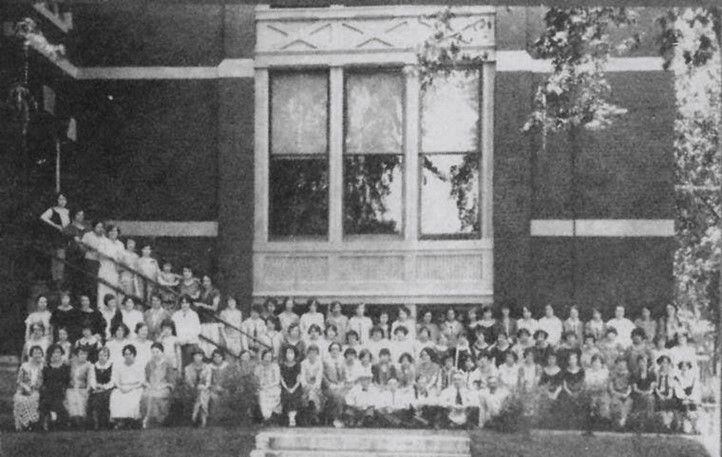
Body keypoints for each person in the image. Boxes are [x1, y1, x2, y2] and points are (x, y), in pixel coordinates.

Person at [109, 344, 145, 429]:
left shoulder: (139, 365)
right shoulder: (119, 365)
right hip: (122, 388)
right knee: (115, 396)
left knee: (133, 398)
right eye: (126, 354)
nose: (127, 356)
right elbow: (115, 379)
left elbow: (142, 380)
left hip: (135, 387)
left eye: (130, 354)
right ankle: (120, 421)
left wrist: (131, 388)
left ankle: (131, 421)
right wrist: (121, 387)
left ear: (134, 354)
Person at [40, 193, 71, 288]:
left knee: (62, 260)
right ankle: (55, 280)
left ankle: (60, 280)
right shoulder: (52, 210)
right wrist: (55, 225)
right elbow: (43, 217)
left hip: (65, 237)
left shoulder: (68, 211)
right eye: (60, 199)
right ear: (56, 200)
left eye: (64, 199)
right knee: (56, 260)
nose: (62, 201)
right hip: (56, 238)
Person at [141, 342, 175, 428]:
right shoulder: (149, 364)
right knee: (145, 395)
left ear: (162, 352)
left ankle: (155, 419)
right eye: (153, 352)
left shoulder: (167, 364)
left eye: (157, 352)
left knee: (155, 396)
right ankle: (147, 418)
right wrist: (148, 385)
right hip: (152, 386)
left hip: (164, 387)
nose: (155, 354)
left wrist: (162, 386)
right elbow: (146, 378)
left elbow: (171, 380)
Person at [14, 345, 44, 431]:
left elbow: (42, 381)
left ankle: (31, 423)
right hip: (24, 389)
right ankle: (21, 425)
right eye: (35, 353)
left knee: (33, 398)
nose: (37, 355)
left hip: (37, 390)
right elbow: (19, 381)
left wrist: (36, 388)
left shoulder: (42, 366)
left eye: (39, 353)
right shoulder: (24, 366)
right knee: (19, 399)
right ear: (31, 354)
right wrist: (26, 388)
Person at [40, 344, 70, 430]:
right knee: (47, 400)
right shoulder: (46, 367)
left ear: (61, 354)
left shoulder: (65, 366)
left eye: (58, 352)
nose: (56, 354)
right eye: (54, 352)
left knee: (56, 403)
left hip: (61, 391)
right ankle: (50, 418)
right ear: (51, 354)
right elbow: (45, 381)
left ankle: (53, 417)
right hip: (49, 391)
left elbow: (67, 381)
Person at [96, 225, 125, 309]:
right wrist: (112, 257)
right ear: (107, 232)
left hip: (115, 270)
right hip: (105, 268)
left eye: (115, 231)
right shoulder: (103, 241)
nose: (113, 233)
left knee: (113, 290)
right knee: (103, 291)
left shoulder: (120, 244)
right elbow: (100, 253)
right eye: (111, 231)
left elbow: (122, 257)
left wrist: (119, 260)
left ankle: (112, 310)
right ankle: (101, 310)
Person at [65, 347, 94, 428]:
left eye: (85, 354)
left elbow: (90, 379)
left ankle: (80, 421)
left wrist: (87, 389)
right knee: (71, 396)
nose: (83, 356)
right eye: (81, 354)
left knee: (79, 397)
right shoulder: (72, 364)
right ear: (77, 355)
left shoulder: (89, 365)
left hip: (83, 389)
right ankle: (74, 420)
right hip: (71, 388)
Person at [184, 346, 212, 427]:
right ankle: (203, 418)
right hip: (191, 389)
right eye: (196, 356)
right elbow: (188, 381)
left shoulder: (207, 367)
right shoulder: (188, 368)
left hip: (204, 389)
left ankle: (195, 416)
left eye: (200, 356)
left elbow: (208, 381)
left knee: (202, 394)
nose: (198, 358)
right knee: (201, 395)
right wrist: (195, 387)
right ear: (193, 357)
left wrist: (204, 387)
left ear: (203, 357)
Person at [63, 209, 89, 297]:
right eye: (78, 214)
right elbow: (66, 236)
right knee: (73, 280)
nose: (81, 216)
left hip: (85, 258)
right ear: (74, 215)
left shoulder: (86, 228)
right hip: (73, 257)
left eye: (82, 215)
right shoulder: (69, 228)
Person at [172, 295, 202, 367]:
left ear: (190, 304)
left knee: (189, 366)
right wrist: (178, 340)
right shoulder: (176, 315)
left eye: (186, 303)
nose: (184, 305)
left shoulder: (194, 315)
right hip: (179, 343)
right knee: (179, 365)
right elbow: (172, 329)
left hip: (191, 343)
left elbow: (197, 330)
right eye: (182, 303)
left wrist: (186, 340)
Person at [322, 342, 346, 427]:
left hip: (340, 386)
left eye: (337, 349)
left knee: (343, 395)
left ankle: (344, 418)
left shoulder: (342, 361)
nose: (335, 351)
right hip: (328, 387)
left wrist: (341, 384)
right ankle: (337, 418)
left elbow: (344, 375)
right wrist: (330, 385)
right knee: (337, 396)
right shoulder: (325, 361)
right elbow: (323, 375)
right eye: (333, 349)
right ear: (330, 351)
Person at [196, 275, 222, 357]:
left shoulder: (215, 292)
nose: (205, 283)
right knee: (203, 342)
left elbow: (215, 307)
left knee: (213, 342)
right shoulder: (201, 292)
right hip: (203, 320)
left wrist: (202, 305)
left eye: (207, 281)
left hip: (212, 320)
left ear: (211, 281)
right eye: (204, 281)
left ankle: (213, 359)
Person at [89, 347, 113, 430]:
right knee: (96, 398)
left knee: (107, 397)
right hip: (97, 388)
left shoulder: (111, 365)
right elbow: (92, 379)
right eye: (100, 355)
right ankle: (96, 422)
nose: (102, 357)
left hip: (108, 388)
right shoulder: (94, 366)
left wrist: (104, 387)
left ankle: (107, 422)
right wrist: (96, 386)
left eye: (105, 355)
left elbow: (113, 381)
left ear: (108, 356)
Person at [255, 349, 282, 423]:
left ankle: (271, 416)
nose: (268, 358)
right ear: (263, 357)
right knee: (262, 395)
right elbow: (256, 380)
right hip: (262, 388)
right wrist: (261, 386)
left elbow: (277, 380)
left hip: (273, 387)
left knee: (275, 393)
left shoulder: (275, 366)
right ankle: (266, 417)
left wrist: (268, 386)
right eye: (266, 356)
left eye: (270, 356)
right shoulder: (258, 367)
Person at [208, 349, 233, 424]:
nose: (217, 358)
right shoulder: (209, 366)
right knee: (214, 397)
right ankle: (215, 419)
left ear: (222, 357)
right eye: (215, 356)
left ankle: (225, 418)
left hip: (225, 387)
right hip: (212, 388)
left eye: (219, 356)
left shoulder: (227, 366)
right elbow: (207, 380)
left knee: (226, 395)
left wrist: (224, 387)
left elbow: (230, 378)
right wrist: (214, 387)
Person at [674, 361, 700, 434]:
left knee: (694, 406)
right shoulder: (677, 378)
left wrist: (690, 398)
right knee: (684, 405)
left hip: (690, 399)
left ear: (689, 367)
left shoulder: (692, 378)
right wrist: (684, 398)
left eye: (686, 366)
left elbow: (695, 390)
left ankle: (694, 427)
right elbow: (678, 391)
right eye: (682, 366)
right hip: (680, 399)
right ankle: (683, 426)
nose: (684, 368)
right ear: (680, 368)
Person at [585, 354, 610, 426]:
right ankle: (591, 423)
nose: (596, 364)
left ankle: (603, 422)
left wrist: (596, 386)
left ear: (601, 364)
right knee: (591, 401)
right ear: (591, 363)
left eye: (598, 362)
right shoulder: (588, 371)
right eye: (594, 362)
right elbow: (587, 384)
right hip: (590, 393)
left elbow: (604, 385)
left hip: (602, 393)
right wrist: (595, 386)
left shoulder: (605, 372)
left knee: (603, 402)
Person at [280, 345, 302, 426]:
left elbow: (298, 379)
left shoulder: (298, 365)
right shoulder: (282, 365)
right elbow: (281, 379)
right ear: (285, 354)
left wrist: (293, 388)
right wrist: (286, 387)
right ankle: (289, 418)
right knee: (286, 394)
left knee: (295, 395)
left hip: (295, 385)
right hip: (285, 385)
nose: (290, 355)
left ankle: (292, 418)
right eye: (288, 353)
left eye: (292, 353)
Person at [300, 344, 324, 422]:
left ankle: (314, 415)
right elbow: (302, 376)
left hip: (315, 386)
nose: (312, 355)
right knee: (307, 395)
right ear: (307, 353)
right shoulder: (303, 363)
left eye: (315, 353)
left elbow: (319, 377)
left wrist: (315, 386)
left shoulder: (319, 363)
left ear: (317, 354)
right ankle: (308, 415)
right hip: (306, 386)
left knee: (315, 394)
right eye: (310, 353)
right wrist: (306, 385)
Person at [608, 357, 633, 429]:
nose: (621, 365)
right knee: (616, 403)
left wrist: (626, 394)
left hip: (626, 395)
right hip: (616, 394)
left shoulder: (629, 374)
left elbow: (630, 387)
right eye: (619, 363)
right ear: (616, 364)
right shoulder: (612, 374)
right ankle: (619, 423)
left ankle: (622, 422)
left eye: (623, 363)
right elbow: (611, 388)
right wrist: (618, 394)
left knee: (628, 403)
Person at [631, 353, 656, 419]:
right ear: (638, 363)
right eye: (640, 362)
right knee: (646, 398)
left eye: (644, 361)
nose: (642, 363)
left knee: (650, 398)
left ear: (647, 363)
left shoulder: (651, 374)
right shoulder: (635, 374)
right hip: (638, 394)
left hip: (648, 394)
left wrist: (648, 392)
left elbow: (652, 388)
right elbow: (635, 389)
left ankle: (649, 419)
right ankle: (639, 417)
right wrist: (643, 393)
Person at [655, 354, 677, 429]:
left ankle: (668, 425)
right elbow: (656, 387)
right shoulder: (657, 373)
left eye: (666, 363)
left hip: (668, 393)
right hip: (659, 394)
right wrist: (660, 395)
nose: (664, 365)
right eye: (663, 362)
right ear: (660, 363)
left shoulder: (671, 373)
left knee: (671, 403)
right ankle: (666, 425)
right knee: (661, 404)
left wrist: (669, 395)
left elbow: (671, 386)